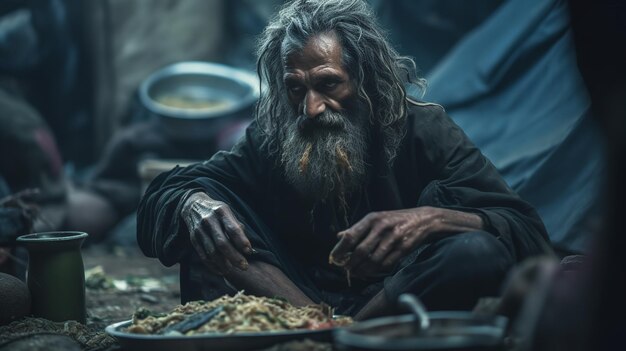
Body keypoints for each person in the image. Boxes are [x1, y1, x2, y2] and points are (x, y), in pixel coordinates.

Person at [137, 0, 550, 319]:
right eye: (296, 89)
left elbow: (527, 232)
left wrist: (430, 219)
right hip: (297, 303)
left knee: (475, 251)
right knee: (207, 221)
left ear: (364, 78)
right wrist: (195, 205)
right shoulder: (272, 137)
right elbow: (168, 192)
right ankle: (327, 331)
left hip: (395, 305)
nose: (312, 108)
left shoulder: (423, 130)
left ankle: (346, 335)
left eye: (328, 84)